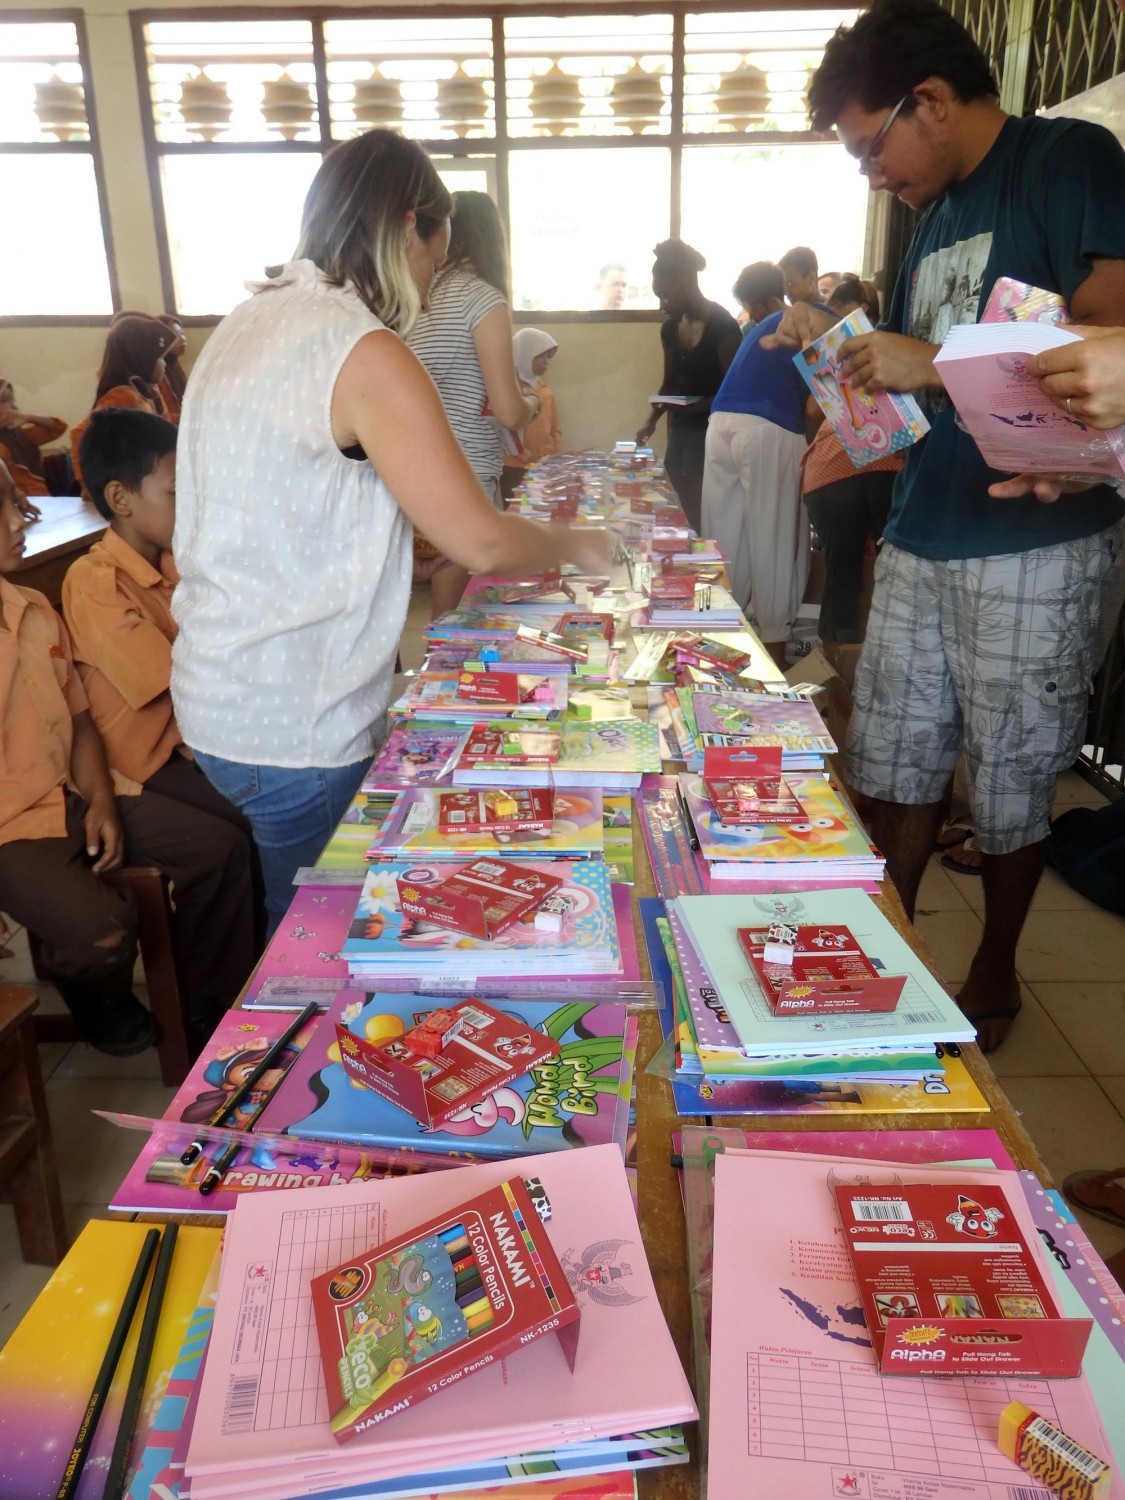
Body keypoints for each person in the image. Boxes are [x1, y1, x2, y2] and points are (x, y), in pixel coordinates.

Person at [765, 0, 1125, 1050]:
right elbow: (913, 388)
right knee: (892, 760)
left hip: (1033, 543)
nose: (872, 175)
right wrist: (847, 352)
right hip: (924, 526)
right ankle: (887, 946)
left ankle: (995, 966)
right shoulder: (929, 219)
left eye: (869, 148)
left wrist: (928, 359)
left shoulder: (1064, 161)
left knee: (1012, 772)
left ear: (927, 101)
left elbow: (1110, 338)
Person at [171, 130, 611, 935]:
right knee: (317, 931)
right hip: (295, 721)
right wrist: (579, 546)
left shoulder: (250, 318)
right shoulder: (361, 347)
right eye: (435, 255)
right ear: (411, 227)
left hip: (217, 692)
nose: (432, 279)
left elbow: (300, 498)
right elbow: (481, 542)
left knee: (296, 907)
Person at [0, 459, 256, 1055]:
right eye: (1, 508)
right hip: (11, 823)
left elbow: (80, 720)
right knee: (104, 932)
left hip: (71, 789)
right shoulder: (90, 582)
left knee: (220, 847)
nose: (19, 520)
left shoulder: (31, 607)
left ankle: (214, 1005)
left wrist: (99, 800)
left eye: (16, 502)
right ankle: (93, 989)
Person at [63, 409, 253, 837]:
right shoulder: (94, 583)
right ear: (120, 499)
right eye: (176, 493)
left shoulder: (175, 560)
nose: (192, 506)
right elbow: (177, 680)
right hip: (148, 759)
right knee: (256, 815)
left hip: (200, 739)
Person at [407, 189, 540, 614]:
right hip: (464, 477)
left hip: (410, 474)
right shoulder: (482, 299)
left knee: (434, 614)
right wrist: (533, 403)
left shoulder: (415, 295)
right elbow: (508, 411)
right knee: (460, 620)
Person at [701, 260, 816, 666]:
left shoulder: (760, 327)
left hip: (720, 423)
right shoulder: (823, 323)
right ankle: (775, 655)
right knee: (775, 538)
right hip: (770, 427)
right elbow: (815, 407)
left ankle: (714, 646)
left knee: (722, 540)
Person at [801, 277, 905, 668]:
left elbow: (813, 409)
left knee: (840, 578)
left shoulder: (842, 353)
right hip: (891, 466)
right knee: (897, 574)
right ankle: (887, 663)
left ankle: (835, 673)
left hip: (830, 471)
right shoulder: (901, 346)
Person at [636, 240, 740, 532]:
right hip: (681, 431)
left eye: (666, 296)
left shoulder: (722, 326)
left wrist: (692, 408)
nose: (663, 305)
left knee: (705, 510)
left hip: (713, 433)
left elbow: (733, 394)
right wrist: (651, 420)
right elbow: (669, 383)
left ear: (685, 282)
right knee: (677, 500)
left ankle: (707, 555)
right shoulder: (670, 329)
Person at [71, 316, 171, 486]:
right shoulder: (125, 395)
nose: (164, 365)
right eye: (159, 358)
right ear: (141, 357)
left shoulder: (141, 390)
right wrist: (87, 485)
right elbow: (80, 434)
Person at [501, 329, 563, 496]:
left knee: (542, 507)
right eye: (541, 356)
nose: (546, 362)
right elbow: (506, 430)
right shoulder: (510, 390)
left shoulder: (546, 392)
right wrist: (527, 456)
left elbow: (555, 429)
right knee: (517, 508)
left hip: (545, 465)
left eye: (548, 357)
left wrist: (557, 456)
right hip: (515, 467)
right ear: (525, 355)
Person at [0, 379, 64, 502]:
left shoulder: (19, 433)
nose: (9, 406)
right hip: (16, 504)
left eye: (9, 399)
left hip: (43, 501)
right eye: (3, 400)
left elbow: (58, 427)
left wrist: (28, 417)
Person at [156, 314, 188, 423]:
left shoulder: (175, 365)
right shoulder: (156, 371)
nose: (182, 339)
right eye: (175, 335)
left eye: (182, 333)